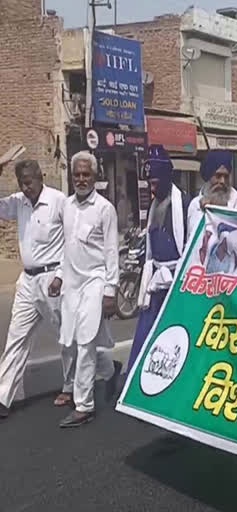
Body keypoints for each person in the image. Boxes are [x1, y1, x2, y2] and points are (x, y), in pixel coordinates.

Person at [48, 151, 119, 428]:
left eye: (86, 174)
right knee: (71, 340)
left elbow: (111, 251)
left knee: (87, 342)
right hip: (72, 284)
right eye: (76, 174)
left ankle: (84, 405)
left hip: (95, 281)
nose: (80, 179)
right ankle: (110, 371)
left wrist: (110, 292)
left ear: (95, 176)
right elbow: (66, 248)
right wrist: (58, 277)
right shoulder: (66, 206)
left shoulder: (104, 208)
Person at [0, 160, 67, 419]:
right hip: (27, 281)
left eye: (29, 182)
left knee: (68, 337)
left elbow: (71, 241)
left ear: (42, 177)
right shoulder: (19, 202)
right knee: (16, 338)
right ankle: (4, 397)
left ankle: (88, 378)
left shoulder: (58, 201)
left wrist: (61, 276)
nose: (26, 188)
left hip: (53, 279)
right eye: (22, 183)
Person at [127, 145, 190, 371]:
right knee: (145, 333)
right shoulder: (154, 206)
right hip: (156, 280)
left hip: (176, 281)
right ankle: (133, 382)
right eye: (149, 183)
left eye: (155, 183)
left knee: (174, 336)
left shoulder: (185, 204)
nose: (152, 188)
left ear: (165, 177)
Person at [187, 150, 237, 236]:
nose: (222, 181)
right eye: (218, 176)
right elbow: (193, 239)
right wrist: (205, 213)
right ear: (208, 176)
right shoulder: (195, 205)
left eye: (226, 176)